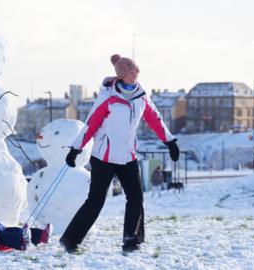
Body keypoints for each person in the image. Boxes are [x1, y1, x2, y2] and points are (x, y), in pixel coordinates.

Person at [60, 54, 179, 253]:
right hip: (103, 157)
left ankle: (131, 239)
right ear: (121, 75)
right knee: (95, 202)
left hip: (128, 156)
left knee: (136, 198)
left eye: (137, 71)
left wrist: (169, 140)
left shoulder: (141, 95)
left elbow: (154, 119)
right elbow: (91, 124)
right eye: (131, 72)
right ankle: (70, 239)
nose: (135, 75)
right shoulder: (108, 97)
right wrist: (76, 148)